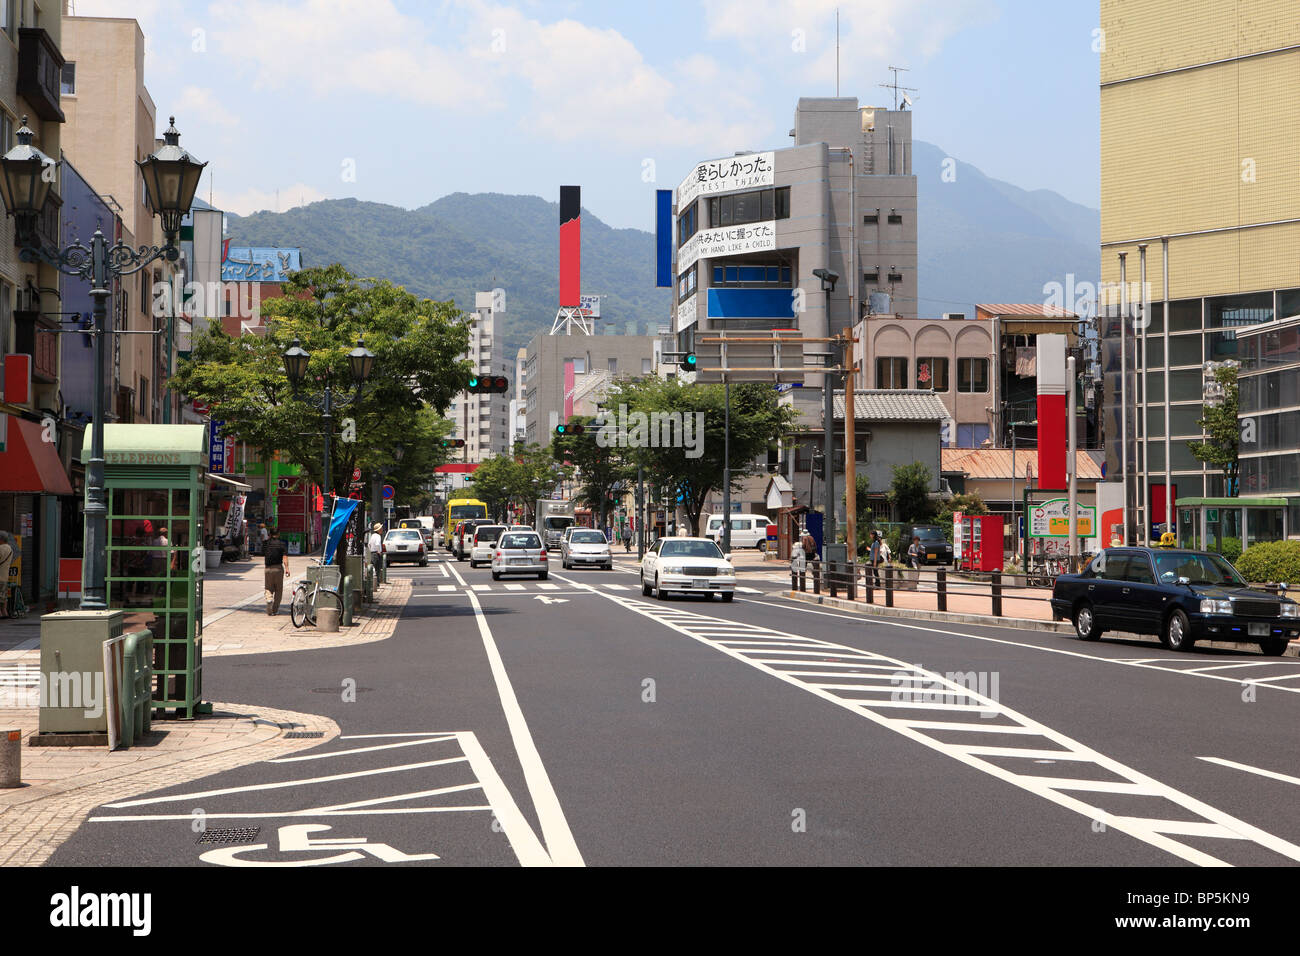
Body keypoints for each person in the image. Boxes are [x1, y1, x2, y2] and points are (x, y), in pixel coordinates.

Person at [263, 527, 290, 615]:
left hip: (268, 569)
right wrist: (287, 569)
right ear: (278, 534)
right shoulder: (282, 544)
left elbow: (263, 552)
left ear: (270, 534)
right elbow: (285, 557)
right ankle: (275, 610)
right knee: (278, 590)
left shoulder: (266, 543)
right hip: (278, 568)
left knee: (268, 587)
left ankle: (269, 599)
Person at [0, 531, 14, 618]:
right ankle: (5, 612)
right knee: (3, 596)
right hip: (5, 576)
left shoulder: (0, 548)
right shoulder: (10, 548)